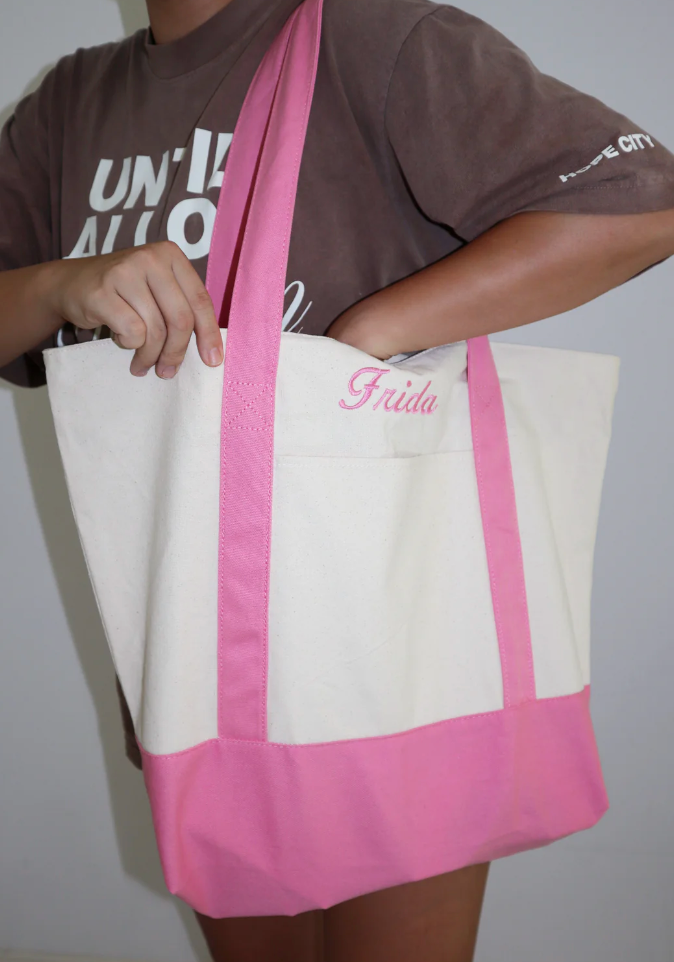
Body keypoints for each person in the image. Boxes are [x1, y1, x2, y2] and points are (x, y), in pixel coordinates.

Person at [1, 0, 674, 959]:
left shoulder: (371, 36)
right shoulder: (71, 105)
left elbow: (641, 201)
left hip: (390, 661)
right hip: (194, 664)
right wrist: (59, 283)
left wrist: (367, 338)